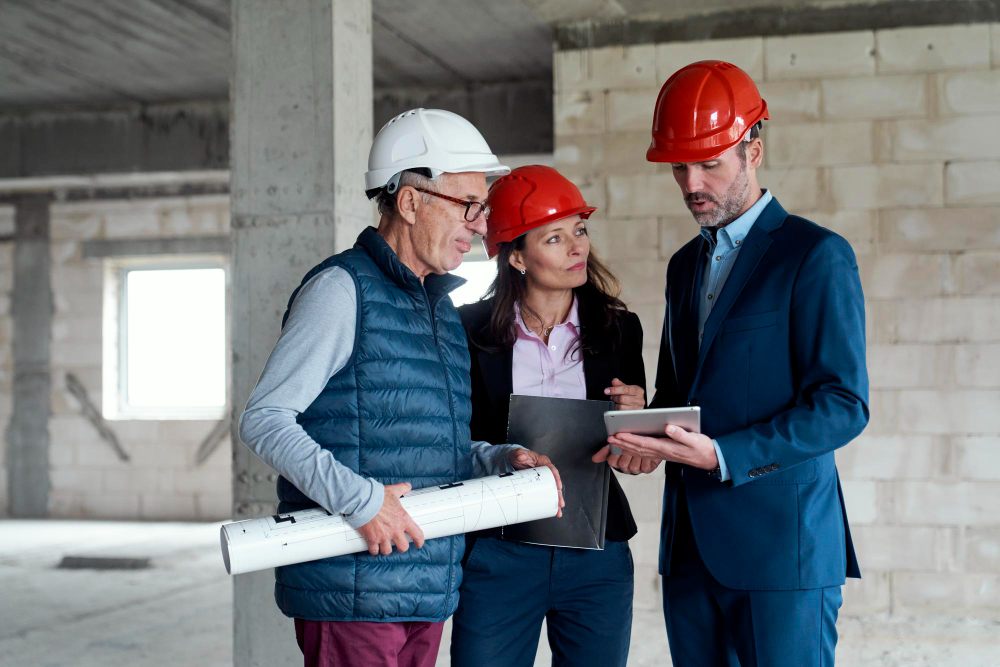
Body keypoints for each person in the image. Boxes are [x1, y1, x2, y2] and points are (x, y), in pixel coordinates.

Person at [239, 108, 562, 667]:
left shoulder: (438, 310)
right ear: (411, 203)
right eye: (468, 205)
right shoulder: (342, 291)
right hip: (355, 589)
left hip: (424, 582)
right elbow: (265, 419)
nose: (481, 225)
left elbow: (429, 451)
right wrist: (362, 501)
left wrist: (499, 459)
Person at [603, 61, 870, 666]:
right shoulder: (683, 267)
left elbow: (843, 406)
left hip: (783, 553)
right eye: (679, 167)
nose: (691, 183)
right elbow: (684, 401)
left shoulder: (816, 256)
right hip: (692, 553)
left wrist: (725, 455)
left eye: (709, 164)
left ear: (754, 149)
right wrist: (644, 429)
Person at [450, 165, 658, 667]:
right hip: (499, 550)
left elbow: (639, 453)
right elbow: (451, 441)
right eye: (555, 237)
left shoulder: (619, 330)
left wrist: (639, 427)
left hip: (596, 549)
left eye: (580, 231)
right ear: (516, 255)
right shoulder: (466, 331)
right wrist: (503, 457)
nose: (577, 248)